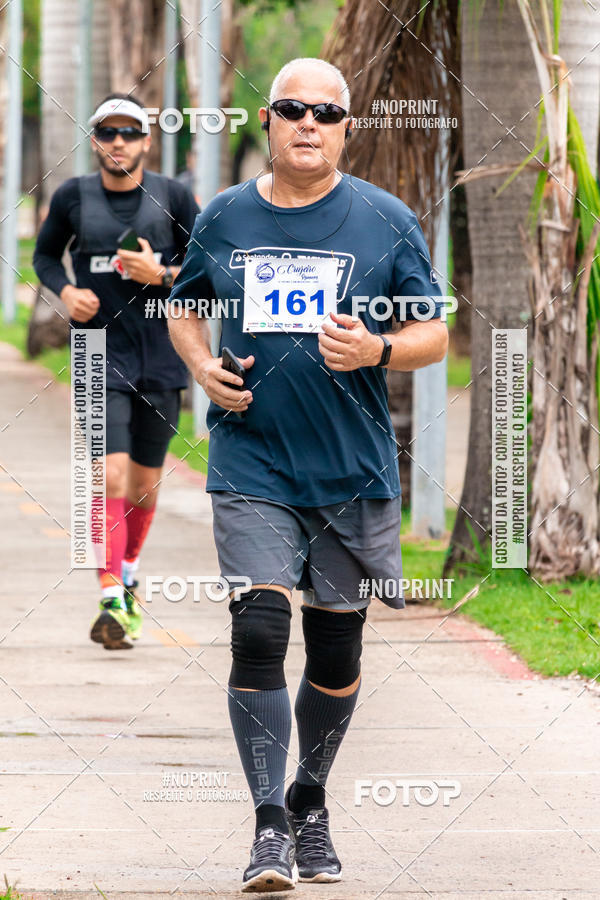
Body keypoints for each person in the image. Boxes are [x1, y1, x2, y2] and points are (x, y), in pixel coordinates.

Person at [167, 58, 448, 893]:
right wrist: (202, 369)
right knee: (258, 629)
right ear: (268, 120)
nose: (307, 123)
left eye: (325, 112)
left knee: (335, 650)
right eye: (291, 108)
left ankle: (309, 801)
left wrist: (380, 349)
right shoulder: (224, 217)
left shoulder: (385, 220)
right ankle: (265, 828)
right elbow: (183, 304)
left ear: (346, 128)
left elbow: (433, 331)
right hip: (251, 458)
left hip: (353, 473)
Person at [33, 93, 200, 650]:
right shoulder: (73, 197)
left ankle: (125, 572)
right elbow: (42, 257)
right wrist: (65, 292)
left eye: (130, 133)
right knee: (111, 477)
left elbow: (208, 272)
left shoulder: (174, 197)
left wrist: (162, 273)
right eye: (108, 133)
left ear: (148, 141)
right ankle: (110, 593)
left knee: (146, 488)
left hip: (162, 356)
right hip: (97, 355)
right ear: (96, 140)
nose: (119, 143)